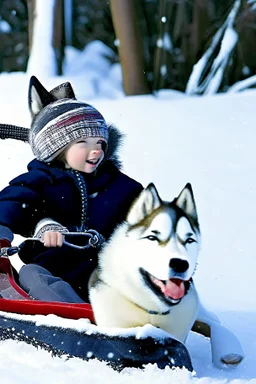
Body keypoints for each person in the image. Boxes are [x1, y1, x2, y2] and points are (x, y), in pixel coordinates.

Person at [0, 76, 143, 303]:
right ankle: (69, 314)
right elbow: (13, 204)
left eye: (100, 143)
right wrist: (41, 225)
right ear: (57, 149)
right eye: (83, 144)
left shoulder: (121, 187)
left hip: (108, 272)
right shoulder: (41, 180)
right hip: (56, 266)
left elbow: (146, 220)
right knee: (31, 274)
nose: (95, 151)